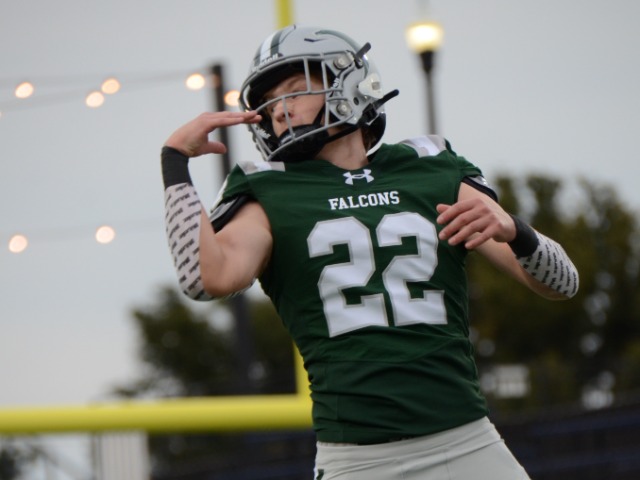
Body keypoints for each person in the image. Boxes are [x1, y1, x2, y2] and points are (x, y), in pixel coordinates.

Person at [161, 25, 578, 480]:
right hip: (360, 460)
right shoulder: (269, 190)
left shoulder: (429, 167)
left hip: (467, 441)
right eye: (270, 100)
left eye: (296, 88)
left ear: (349, 82)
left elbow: (563, 283)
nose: (279, 109)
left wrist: (517, 231)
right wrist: (175, 162)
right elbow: (203, 278)